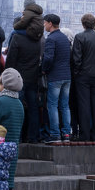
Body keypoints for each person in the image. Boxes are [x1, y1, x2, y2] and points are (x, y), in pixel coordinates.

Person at [7, 0, 44, 143]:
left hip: (18, 78)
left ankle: (17, 137)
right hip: (32, 78)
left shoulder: (17, 37)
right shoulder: (37, 39)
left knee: (17, 108)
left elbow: (11, 59)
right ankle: (33, 137)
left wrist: (7, 76)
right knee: (34, 109)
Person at [69, 13, 95, 142]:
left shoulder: (79, 37)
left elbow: (76, 58)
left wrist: (77, 72)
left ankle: (84, 135)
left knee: (84, 105)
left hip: (83, 77)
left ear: (83, 24)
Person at [41, 14, 72, 143]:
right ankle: (66, 134)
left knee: (52, 105)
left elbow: (48, 58)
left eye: (45, 23)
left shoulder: (51, 39)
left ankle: (54, 135)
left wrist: (44, 69)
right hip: (67, 76)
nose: (44, 25)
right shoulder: (64, 38)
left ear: (50, 23)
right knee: (65, 106)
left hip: (55, 76)